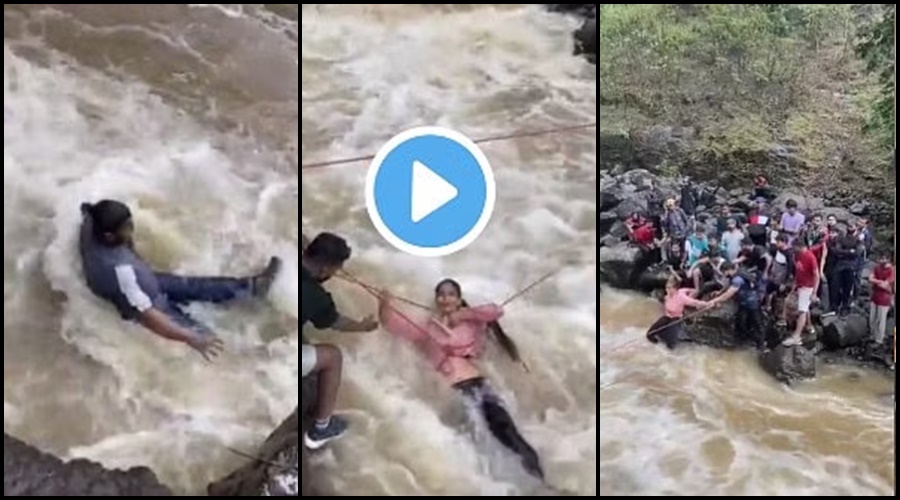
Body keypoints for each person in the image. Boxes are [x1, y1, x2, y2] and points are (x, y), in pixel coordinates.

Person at [378, 280, 544, 479]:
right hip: (454, 394)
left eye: (450, 294)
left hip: (480, 387)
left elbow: (495, 311)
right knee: (473, 446)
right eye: (441, 294)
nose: (445, 298)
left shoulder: (471, 323)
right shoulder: (427, 326)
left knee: (509, 433)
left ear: (458, 299)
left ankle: (542, 483)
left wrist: (463, 314)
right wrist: (384, 304)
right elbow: (393, 325)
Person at [79, 200, 281, 362]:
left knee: (196, 286)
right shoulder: (121, 272)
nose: (132, 228)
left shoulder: (91, 220)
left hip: (149, 281)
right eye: (126, 227)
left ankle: (253, 287)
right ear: (109, 236)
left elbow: (86, 208)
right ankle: (252, 358)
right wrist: (191, 338)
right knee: (207, 337)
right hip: (150, 303)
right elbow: (149, 316)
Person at [301, 233, 380, 449]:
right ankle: (320, 429)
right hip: (282, 355)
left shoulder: (286, 262)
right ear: (325, 270)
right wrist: (362, 327)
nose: (335, 274)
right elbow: (336, 322)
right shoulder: (318, 298)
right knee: (333, 356)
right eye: (335, 270)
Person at [711, 262, 766, 351]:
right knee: (741, 322)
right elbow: (729, 286)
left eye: (724, 272)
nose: (724, 275)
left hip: (752, 303)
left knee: (758, 324)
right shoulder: (737, 273)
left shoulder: (738, 279)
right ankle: (744, 340)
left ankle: (761, 346)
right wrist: (720, 292)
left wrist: (714, 301)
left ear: (728, 270)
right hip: (743, 303)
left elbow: (729, 294)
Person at [647, 276, 712, 349]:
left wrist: (707, 304)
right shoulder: (667, 296)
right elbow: (685, 290)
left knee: (671, 345)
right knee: (649, 335)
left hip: (676, 319)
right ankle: (657, 343)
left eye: (669, 288)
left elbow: (694, 302)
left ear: (675, 289)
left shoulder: (681, 297)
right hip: (667, 317)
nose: (667, 290)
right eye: (666, 288)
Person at [783, 238, 819, 346]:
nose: (792, 249)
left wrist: (814, 293)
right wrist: (795, 284)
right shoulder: (797, 255)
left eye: (794, 247)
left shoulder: (810, 257)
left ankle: (796, 336)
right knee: (804, 307)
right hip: (799, 284)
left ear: (800, 246)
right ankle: (809, 326)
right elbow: (798, 271)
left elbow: (816, 275)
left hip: (808, 287)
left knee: (802, 311)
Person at [829, 226, 862, 316]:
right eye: (849, 226)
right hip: (840, 265)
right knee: (835, 287)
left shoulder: (858, 240)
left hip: (851, 267)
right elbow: (836, 250)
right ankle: (834, 306)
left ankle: (845, 306)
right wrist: (850, 252)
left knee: (847, 288)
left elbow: (858, 252)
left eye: (852, 227)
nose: (850, 228)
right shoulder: (841, 238)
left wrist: (844, 252)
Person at [868, 253, 894, 345]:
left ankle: (879, 339)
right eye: (880, 258)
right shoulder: (877, 267)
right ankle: (872, 336)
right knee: (872, 319)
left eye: (883, 259)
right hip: (875, 296)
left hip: (884, 299)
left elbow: (885, 284)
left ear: (888, 259)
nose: (881, 261)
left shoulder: (891, 270)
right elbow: (870, 278)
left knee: (881, 320)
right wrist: (880, 282)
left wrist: (876, 282)